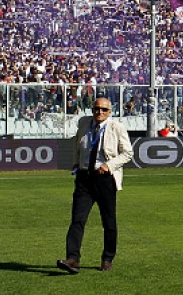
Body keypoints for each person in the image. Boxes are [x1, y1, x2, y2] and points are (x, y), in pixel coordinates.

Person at [57, 96, 133, 274]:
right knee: (77, 219)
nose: (100, 112)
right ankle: (72, 259)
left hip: (105, 179)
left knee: (108, 221)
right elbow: (77, 144)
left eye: (104, 109)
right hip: (84, 178)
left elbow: (128, 153)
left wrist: (109, 165)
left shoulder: (117, 127)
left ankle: (107, 258)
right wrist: (76, 163)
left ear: (110, 112)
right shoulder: (84, 123)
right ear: (92, 110)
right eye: (97, 108)